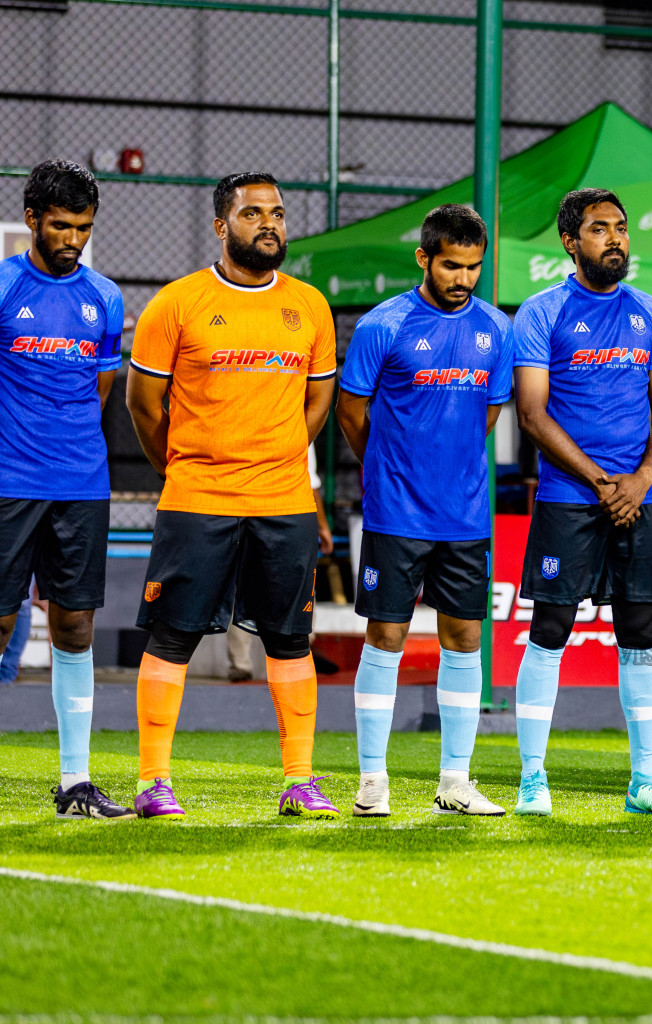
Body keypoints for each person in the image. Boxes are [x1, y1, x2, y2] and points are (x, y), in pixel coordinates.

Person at [125, 171, 338, 820]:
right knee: (172, 637)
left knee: (290, 640)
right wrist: (185, 463)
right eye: (252, 214)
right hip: (197, 496)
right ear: (222, 226)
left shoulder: (310, 305)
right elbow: (143, 404)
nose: (268, 223)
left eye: (276, 213)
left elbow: (320, 397)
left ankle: (299, 783)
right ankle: (153, 782)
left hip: (284, 501)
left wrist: (274, 453)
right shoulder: (177, 303)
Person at [511, 188, 652, 816]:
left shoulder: (651, 312)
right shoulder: (541, 311)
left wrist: (640, 480)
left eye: (621, 228)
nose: (615, 238)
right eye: (599, 229)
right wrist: (601, 481)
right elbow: (531, 415)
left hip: (636, 499)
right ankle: (533, 779)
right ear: (570, 241)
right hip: (569, 499)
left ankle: (646, 781)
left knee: (640, 633)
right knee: (550, 631)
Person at [338, 204, 513, 817]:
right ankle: (371, 781)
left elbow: (488, 416)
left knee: (465, 640)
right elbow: (351, 412)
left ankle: (455, 783)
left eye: (472, 267)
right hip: (395, 514)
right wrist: (386, 462)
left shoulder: (496, 328)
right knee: (385, 638)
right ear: (424, 258)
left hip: (464, 516)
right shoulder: (381, 327)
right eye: (451, 266)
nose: (462, 278)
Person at [0, 159, 131, 819]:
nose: (72, 239)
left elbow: (99, 391)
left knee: (74, 623)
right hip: (8, 484)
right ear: (30, 220)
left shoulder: (105, 297)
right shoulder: (2, 287)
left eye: (82, 227)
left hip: (81, 482)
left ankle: (75, 783)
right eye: (60, 226)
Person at [227, 446, 337, 680]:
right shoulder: (297, 418)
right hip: (285, 509)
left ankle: (241, 662)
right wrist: (323, 526)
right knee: (298, 579)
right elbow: (310, 479)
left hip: (246, 505)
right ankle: (300, 649)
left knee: (245, 581)